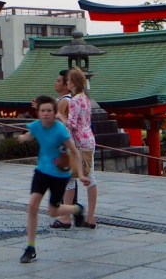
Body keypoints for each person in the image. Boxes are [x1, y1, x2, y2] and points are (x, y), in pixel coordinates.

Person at [16, 94, 91, 264]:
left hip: (59, 174)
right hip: (42, 171)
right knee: (32, 205)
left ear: (54, 112)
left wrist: (80, 174)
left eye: (49, 110)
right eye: (43, 110)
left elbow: (75, 152)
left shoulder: (59, 129)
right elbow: (30, 135)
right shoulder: (36, 126)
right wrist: (21, 138)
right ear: (39, 112)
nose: (46, 113)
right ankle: (30, 247)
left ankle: (77, 210)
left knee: (53, 212)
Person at [61, 68, 98, 228]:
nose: (67, 83)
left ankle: (65, 217)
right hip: (89, 140)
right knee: (90, 178)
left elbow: (72, 125)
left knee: (69, 179)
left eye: (68, 80)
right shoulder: (86, 99)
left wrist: (60, 116)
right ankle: (90, 217)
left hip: (78, 143)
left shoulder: (75, 100)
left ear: (74, 83)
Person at [51, 69, 76, 229]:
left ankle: (65, 216)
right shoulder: (73, 100)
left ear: (66, 85)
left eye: (59, 81)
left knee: (66, 181)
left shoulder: (63, 101)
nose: (55, 82)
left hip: (63, 144)